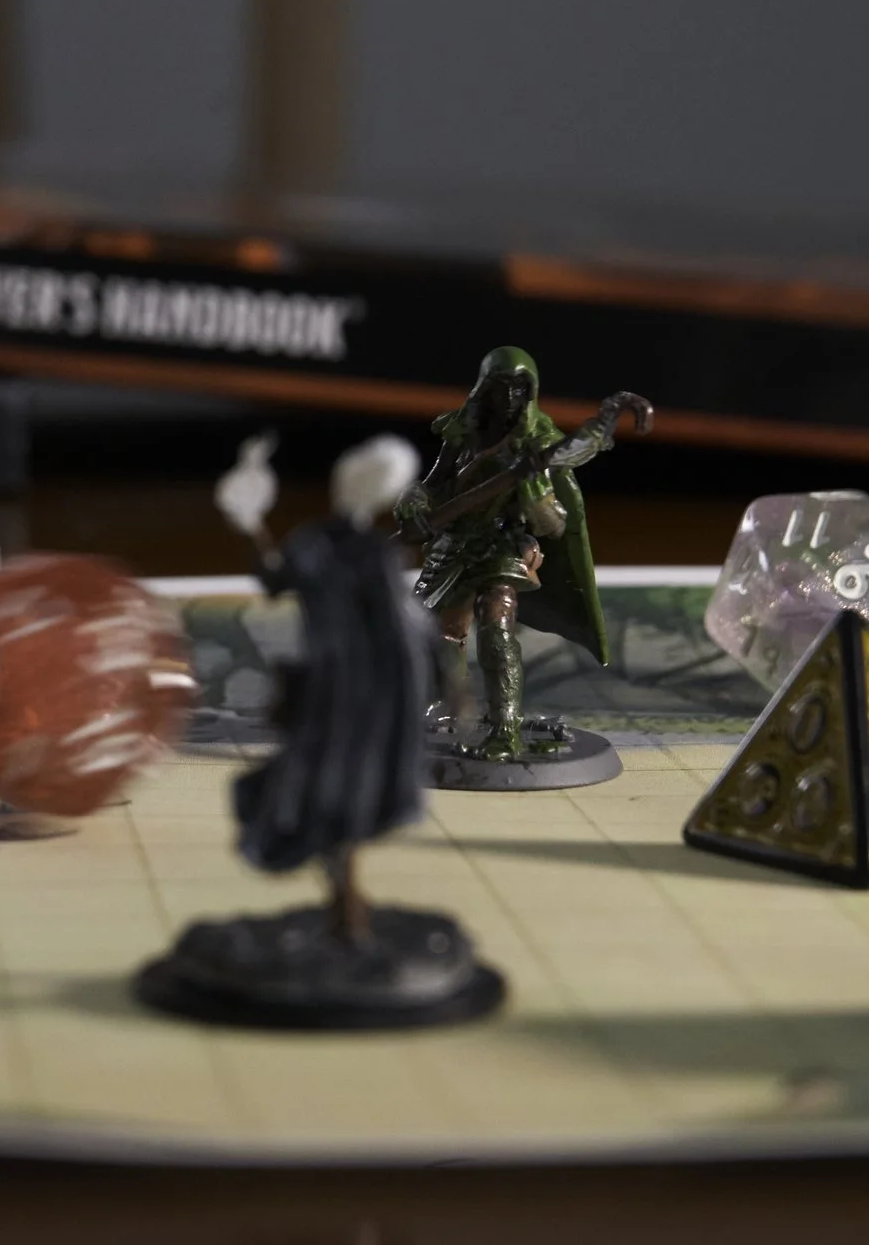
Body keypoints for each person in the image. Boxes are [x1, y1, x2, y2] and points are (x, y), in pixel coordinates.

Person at [216, 433, 428, 938]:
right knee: (328, 787)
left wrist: (252, 530)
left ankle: (344, 899)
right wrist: (249, 524)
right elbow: (407, 625)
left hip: (357, 686)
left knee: (335, 787)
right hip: (351, 684)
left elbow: (276, 582)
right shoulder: (350, 548)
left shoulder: (329, 545)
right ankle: (343, 896)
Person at [393, 347, 650, 762]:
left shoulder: (538, 443)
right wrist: (413, 502)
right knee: (435, 632)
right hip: (453, 545)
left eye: (519, 388)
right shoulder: (466, 432)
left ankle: (505, 730)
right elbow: (436, 483)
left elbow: (553, 525)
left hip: (502, 545)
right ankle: (444, 707)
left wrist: (535, 494)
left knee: (495, 631)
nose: (510, 397)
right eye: (502, 387)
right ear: (485, 388)